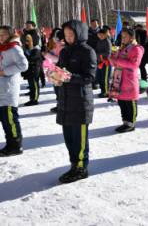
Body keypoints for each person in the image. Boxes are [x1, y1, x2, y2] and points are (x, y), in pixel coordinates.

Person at [54, 20, 96, 183]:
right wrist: (55, 76)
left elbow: (90, 77)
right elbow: (59, 69)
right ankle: (73, 164)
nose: (68, 37)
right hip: (65, 99)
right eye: (66, 35)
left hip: (80, 101)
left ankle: (81, 168)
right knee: (69, 137)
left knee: (79, 138)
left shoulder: (87, 51)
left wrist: (69, 77)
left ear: (79, 33)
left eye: (71, 34)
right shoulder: (64, 52)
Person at [0, 26, 28, 156]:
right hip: (2, 88)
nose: (1, 37)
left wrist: (4, 72)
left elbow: (23, 65)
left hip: (9, 88)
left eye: (4, 34)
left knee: (10, 118)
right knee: (4, 119)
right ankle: (10, 144)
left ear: (10, 35)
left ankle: (16, 145)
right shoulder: (3, 47)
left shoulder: (14, 47)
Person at [109, 28, 144, 133]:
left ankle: (131, 123)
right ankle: (125, 122)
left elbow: (134, 64)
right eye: (122, 36)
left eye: (125, 36)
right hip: (119, 79)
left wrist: (117, 60)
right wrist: (112, 58)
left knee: (130, 102)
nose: (122, 38)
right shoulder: (122, 48)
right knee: (122, 101)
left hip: (129, 80)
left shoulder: (136, 48)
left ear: (132, 37)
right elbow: (116, 63)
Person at [21, 34, 42, 106]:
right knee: (31, 85)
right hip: (29, 70)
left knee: (35, 85)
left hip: (34, 70)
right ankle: (31, 98)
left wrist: (26, 58)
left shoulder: (36, 49)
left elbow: (34, 59)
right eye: (25, 40)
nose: (26, 42)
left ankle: (35, 99)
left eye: (28, 40)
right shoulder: (26, 49)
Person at [96, 28, 112, 98]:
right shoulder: (99, 41)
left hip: (106, 62)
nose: (100, 36)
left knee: (105, 79)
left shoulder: (107, 41)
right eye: (99, 35)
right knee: (99, 77)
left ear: (105, 35)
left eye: (102, 35)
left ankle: (106, 92)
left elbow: (108, 53)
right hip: (99, 62)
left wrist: (99, 55)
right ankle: (103, 90)